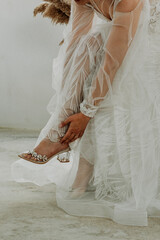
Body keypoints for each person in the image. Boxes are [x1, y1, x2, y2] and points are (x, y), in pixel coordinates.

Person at [11, 0, 160, 226]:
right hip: (126, 31)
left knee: (113, 88)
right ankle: (63, 140)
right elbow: (74, 43)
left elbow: (112, 61)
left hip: (150, 40)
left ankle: (82, 165)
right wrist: (67, 102)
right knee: (88, 46)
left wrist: (87, 112)